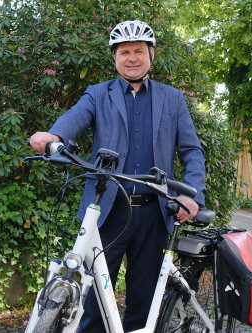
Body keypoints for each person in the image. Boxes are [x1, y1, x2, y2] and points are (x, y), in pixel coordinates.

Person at [29, 20, 206, 332]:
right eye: (124, 52)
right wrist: (53, 135)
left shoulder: (172, 98)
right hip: (107, 213)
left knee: (145, 303)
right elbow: (74, 118)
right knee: (92, 305)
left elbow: (191, 151)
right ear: (115, 58)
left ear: (152, 55)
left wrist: (188, 194)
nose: (132, 57)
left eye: (139, 50)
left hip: (155, 212)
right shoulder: (98, 94)